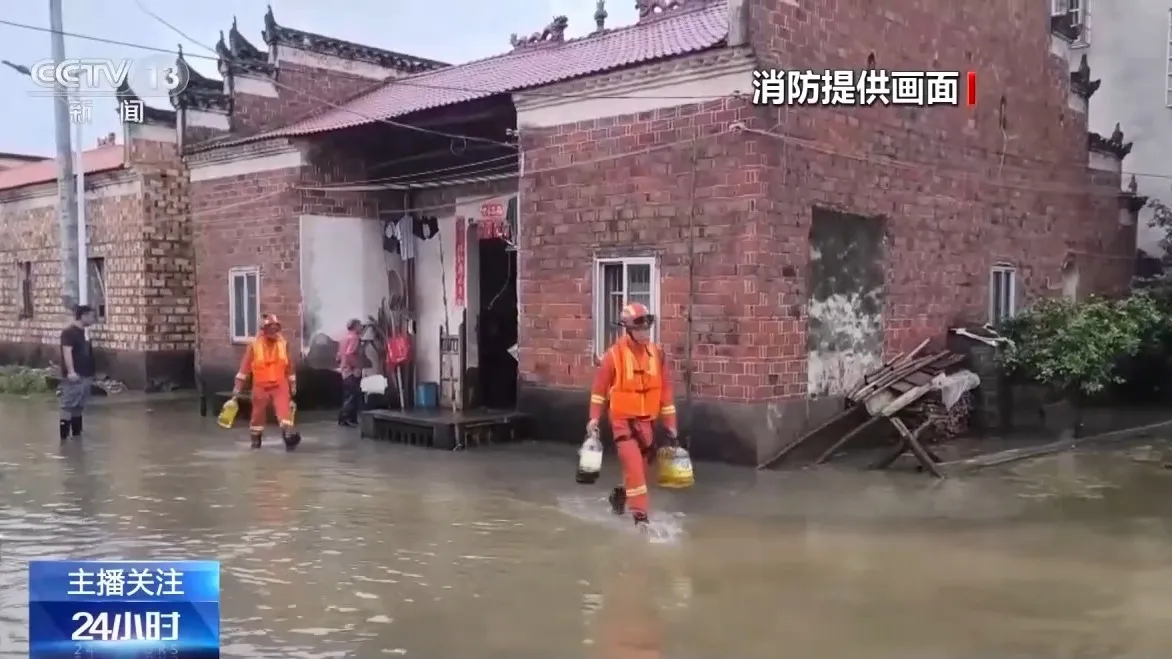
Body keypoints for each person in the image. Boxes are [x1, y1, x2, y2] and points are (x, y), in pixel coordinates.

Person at [586, 302, 677, 528]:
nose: (645, 333)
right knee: (635, 469)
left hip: (648, 423)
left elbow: (666, 393)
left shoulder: (658, 355)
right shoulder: (613, 356)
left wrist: (671, 425)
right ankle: (641, 519)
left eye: (647, 328)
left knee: (641, 473)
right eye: (640, 328)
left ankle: (621, 496)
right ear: (627, 329)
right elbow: (599, 391)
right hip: (623, 423)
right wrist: (594, 419)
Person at [232, 314, 301, 450]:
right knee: (257, 417)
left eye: (276, 328)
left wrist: (293, 384)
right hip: (260, 387)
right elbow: (244, 368)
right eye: (271, 328)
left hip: (280, 385)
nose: (274, 331)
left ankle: (289, 440)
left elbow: (290, 367)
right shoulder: (254, 346)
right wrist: (237, 388)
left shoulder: (284, 344)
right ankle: (256, 444)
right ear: (263, 330)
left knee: (284, 413)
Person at [59, 304, 97, 441]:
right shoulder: (69, 333)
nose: (94, 319)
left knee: (79, 406)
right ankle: (64, 438)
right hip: (75, 375)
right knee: (68, 405)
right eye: (92, 316)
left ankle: (76, 437)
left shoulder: (84, 332)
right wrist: (71, 372)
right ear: (84, 316)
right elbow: (67, 352)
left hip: (86, 374)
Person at [336, 318, 363, 427]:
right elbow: (349, 354)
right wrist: (355, 367)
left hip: (344, 370)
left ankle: (351, 419)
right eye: (360, 325)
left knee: (349, 395)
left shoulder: (343, 338)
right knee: (353, 395)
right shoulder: (355, 338)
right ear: (355, 326)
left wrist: (342, 365)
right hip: (350, 371)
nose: (361, 327)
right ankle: (345, 418)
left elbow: (338, 356)